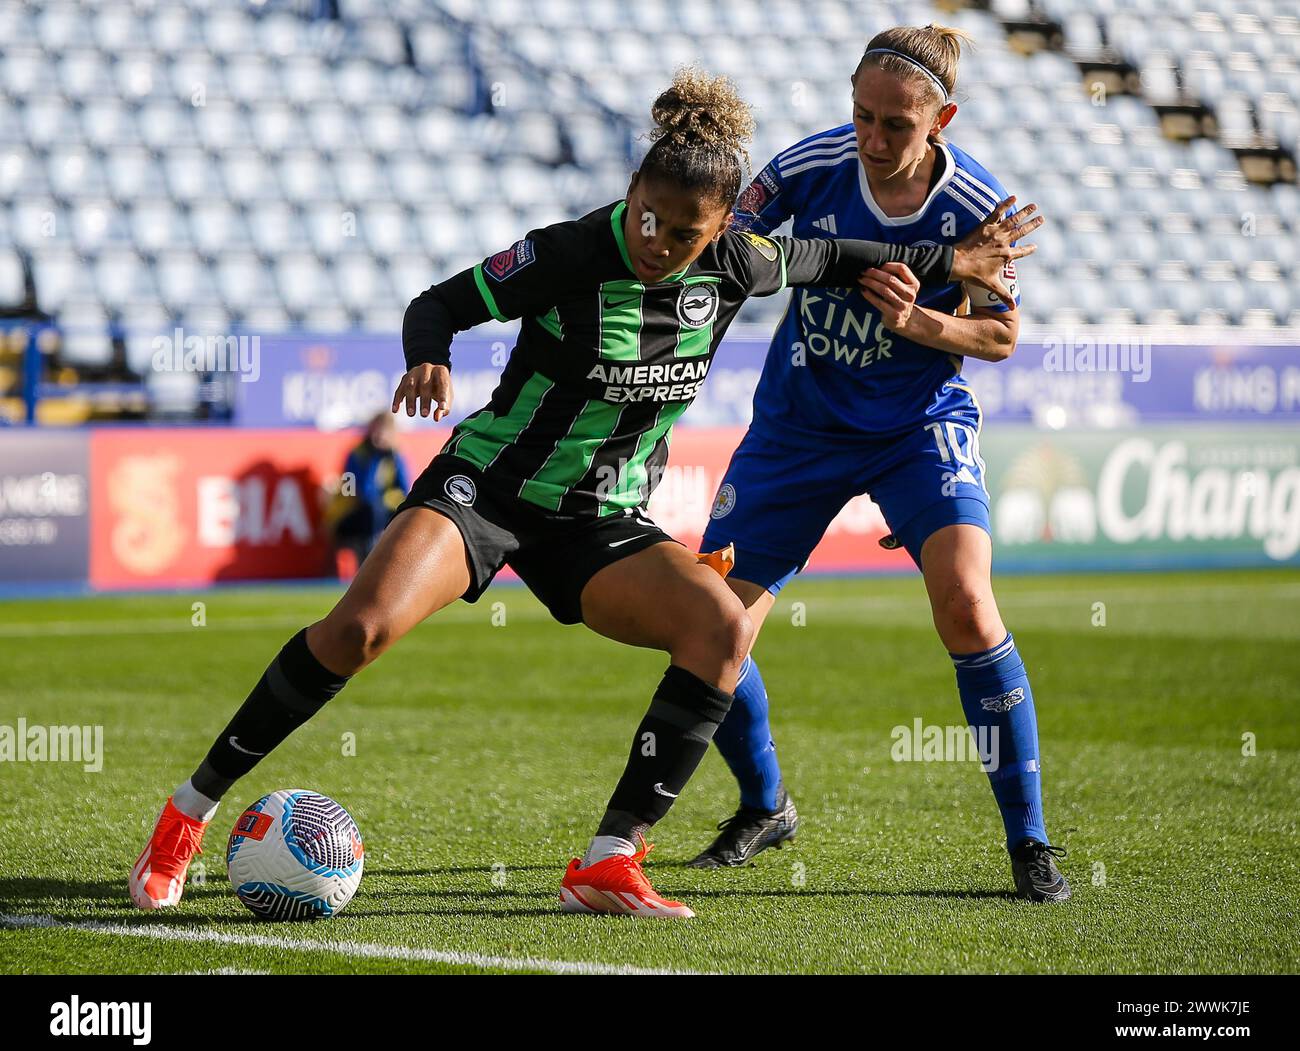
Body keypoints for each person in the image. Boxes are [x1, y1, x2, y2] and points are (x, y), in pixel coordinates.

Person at [129, 67, 1040, 919]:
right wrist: (429, 356)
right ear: (633, 194)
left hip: (600, 520)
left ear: (723, 227)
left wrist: (952, 263)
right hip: (486, 489)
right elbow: (440, 301)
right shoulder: (568, 252)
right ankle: (188, 813)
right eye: (647, 217)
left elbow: (843, 254)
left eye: (683, 233)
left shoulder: (743, 264)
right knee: (358, 628)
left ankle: (609, 858)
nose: (656, 242)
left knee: (720, 625)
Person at [690, 26, 1069, 902]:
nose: (872, 137)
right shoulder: (807, 167)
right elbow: (729, 252)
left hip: (917, 424)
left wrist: (920, 323)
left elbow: (1001, 336)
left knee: (969, 604)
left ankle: (1031, 841)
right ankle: (766, 804)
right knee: (711, 625)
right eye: (861, 113)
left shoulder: (977, 203)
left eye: (896, 123)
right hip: (800, 424)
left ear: (942, 118)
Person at [324, 411, 410, 568]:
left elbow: (405, 489)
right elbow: (362, 492)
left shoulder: (394, 456)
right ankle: (371, 560)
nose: (380, 436)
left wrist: (394, 459)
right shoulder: (356, 455)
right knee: (372, 508)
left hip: (381, 514)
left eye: (385, 432)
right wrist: (375, 458)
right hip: (351, 515)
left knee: (404, 513)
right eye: (377, 430)